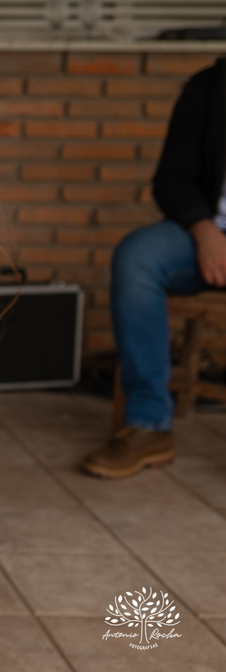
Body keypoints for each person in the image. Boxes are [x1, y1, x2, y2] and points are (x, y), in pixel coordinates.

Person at [82, 57, 226, 478]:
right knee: (138, 257)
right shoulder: (211, 87)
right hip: (209, 232)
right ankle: (148, 423)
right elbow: (172, 178)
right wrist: (205, 233)